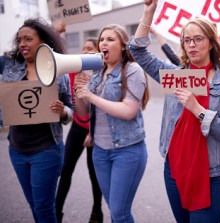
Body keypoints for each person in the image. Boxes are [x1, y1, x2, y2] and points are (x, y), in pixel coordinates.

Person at [128, 0, 220, 223]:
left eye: (198, 39)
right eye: (186, 40)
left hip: (211, 174)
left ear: (211, 42)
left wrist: (197, 109)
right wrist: (149, 13)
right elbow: (138, 51)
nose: (191, 45)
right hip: (175, 170)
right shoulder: (176, 76)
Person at [74, 24, 149, 223]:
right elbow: (83, 114)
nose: (103, 43)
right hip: (100, 151)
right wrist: (80, 94)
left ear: (123, 46)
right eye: (102, 39)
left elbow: (128, 111)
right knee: (115, 210)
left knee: (119, 212)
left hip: (127, 151)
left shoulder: (133, 70)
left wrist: (91, 96)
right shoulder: (96, 73)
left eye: (110, 39)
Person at [0, 18, 73, 222]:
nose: (22, 43)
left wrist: (62, 112)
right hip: (17, 150)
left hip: (46, 150)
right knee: (34, 204)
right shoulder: (9, 64)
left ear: (42, 42)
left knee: (43, 206)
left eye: (28, 39)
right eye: (20, 39)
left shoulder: (59, 70)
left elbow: (71, 111)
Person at [56, 38, 103, 223]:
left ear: (98, 52)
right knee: (66, 169)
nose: (85, 51)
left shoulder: (101, 74)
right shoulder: (75, 70)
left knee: (94, 174)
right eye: (83, 47)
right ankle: (56, 212)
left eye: (90, 48)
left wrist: (92, 132)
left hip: (95, 129)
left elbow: (102, 107)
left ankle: (97, 213)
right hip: (77, 127)